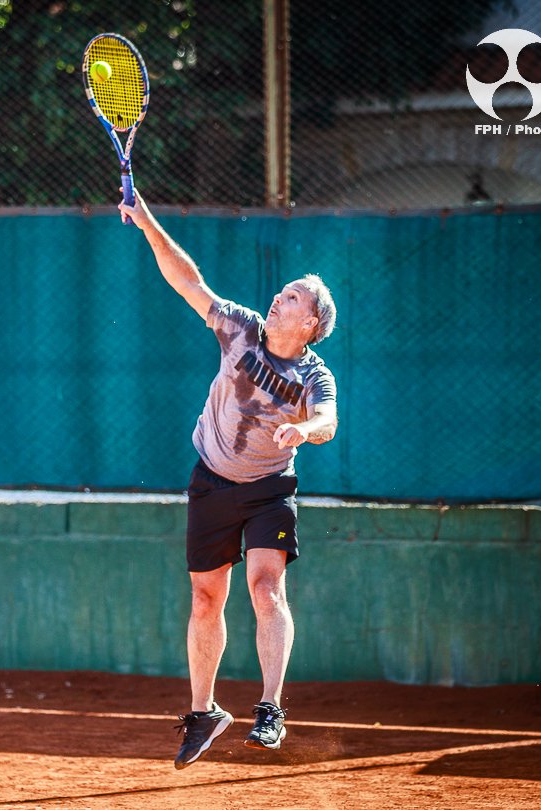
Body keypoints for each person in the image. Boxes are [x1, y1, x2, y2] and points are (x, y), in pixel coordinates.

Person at [119, 191, 338, 769]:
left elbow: (328, 420)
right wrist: (146, 221)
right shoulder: (240, 329)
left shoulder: (314, 375)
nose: (278, 297)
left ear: (310, 322)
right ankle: (204, 712)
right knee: (205, 597)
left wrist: (302, 430)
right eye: (281, 291)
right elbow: (187, 282)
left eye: (291, 297)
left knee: (266, 591)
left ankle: (270, 708)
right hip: (211, 480)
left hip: (269, 489)